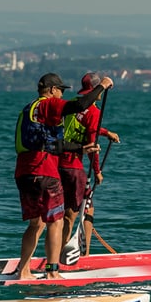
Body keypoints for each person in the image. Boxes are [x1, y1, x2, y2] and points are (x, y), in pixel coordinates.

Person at [14, 72, 112, 280]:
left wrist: (81, 148)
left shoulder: (28, 110)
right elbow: (79, 106)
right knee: (56, 221)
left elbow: (52, 144)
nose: (60, 95)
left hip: (24, 173)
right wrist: (102, 86)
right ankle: (52, 273)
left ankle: (23, 271)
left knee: (35, 223)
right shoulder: (48, 104)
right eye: (59, 90)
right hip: (45, 173)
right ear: (51, 90)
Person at [59, 72, 120, 256]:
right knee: (77, 211)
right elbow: (91, 145)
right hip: (73, 167)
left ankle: (60, 252)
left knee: (74, 209)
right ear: (95, 90)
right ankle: (77, 255)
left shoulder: (72, 105)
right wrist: (97, 171)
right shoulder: (94, 111)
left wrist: (106, 132)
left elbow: (85, 127)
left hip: (57, 163)